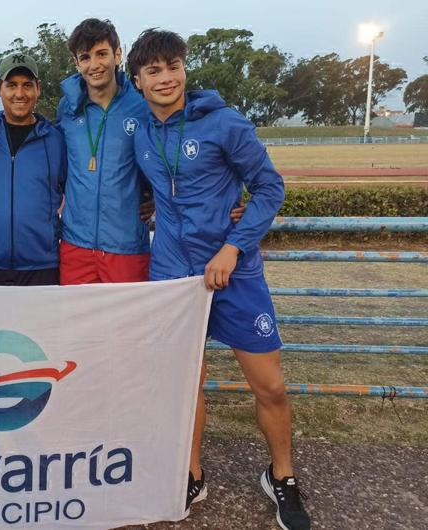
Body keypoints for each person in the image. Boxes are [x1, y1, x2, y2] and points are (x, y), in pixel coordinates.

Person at [128, 29, 310, 530]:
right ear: (137, 80)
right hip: (173, 276)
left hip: (234, 274)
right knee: (188, 386)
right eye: (153, 71)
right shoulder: (139, 130)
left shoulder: (224, 123)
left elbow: (270, 187)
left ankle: (282, 477)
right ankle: (191, 474)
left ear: (184, 69)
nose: (165, 78)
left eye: (173, 66)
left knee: (270, 386)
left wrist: (233, 244)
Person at [56, 18, 151, 285]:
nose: (94, 65)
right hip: (76, 246)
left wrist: (156, 196)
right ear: (77, 63)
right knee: (76, 325)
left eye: (101, 54)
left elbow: (161, 159)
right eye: (85, 57)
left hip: (126, 247)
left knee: (128, 326)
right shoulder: (67, 108)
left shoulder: (142, 107)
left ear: (117, 54)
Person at [0, 53, 66, 286]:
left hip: (42, 266)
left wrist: (143, 195)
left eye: (27, 85)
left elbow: (80, 187)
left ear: (38, 88)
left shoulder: (56, 139)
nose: (20, 94)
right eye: (11, 85)